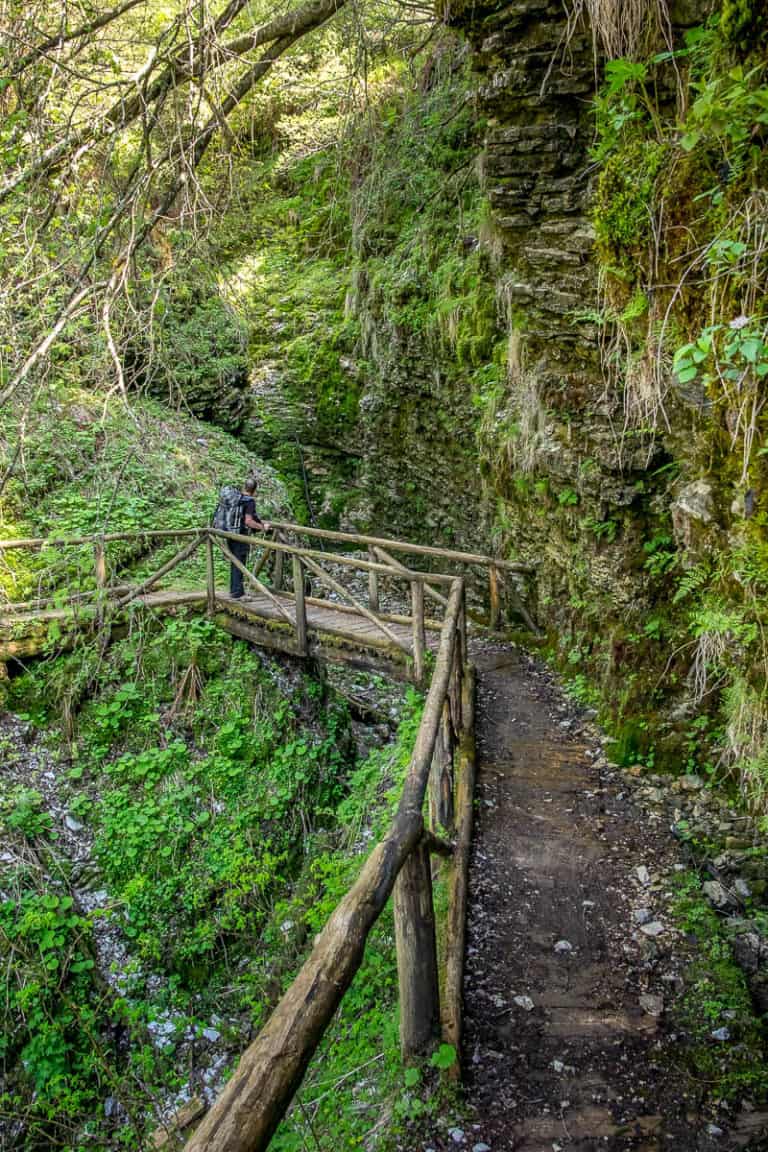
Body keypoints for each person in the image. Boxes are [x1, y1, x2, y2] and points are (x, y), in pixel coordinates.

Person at [229, 478, 271, 599]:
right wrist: (263, 528)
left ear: (244, 486)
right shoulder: (249, 501)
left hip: (230, 533)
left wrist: (260, 522)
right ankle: (238, 593)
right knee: (239, 563)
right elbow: (248, 521)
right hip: (241, 536)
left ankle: (234, 590)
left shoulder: (236, 497)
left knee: (235, 562)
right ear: (254, 490)